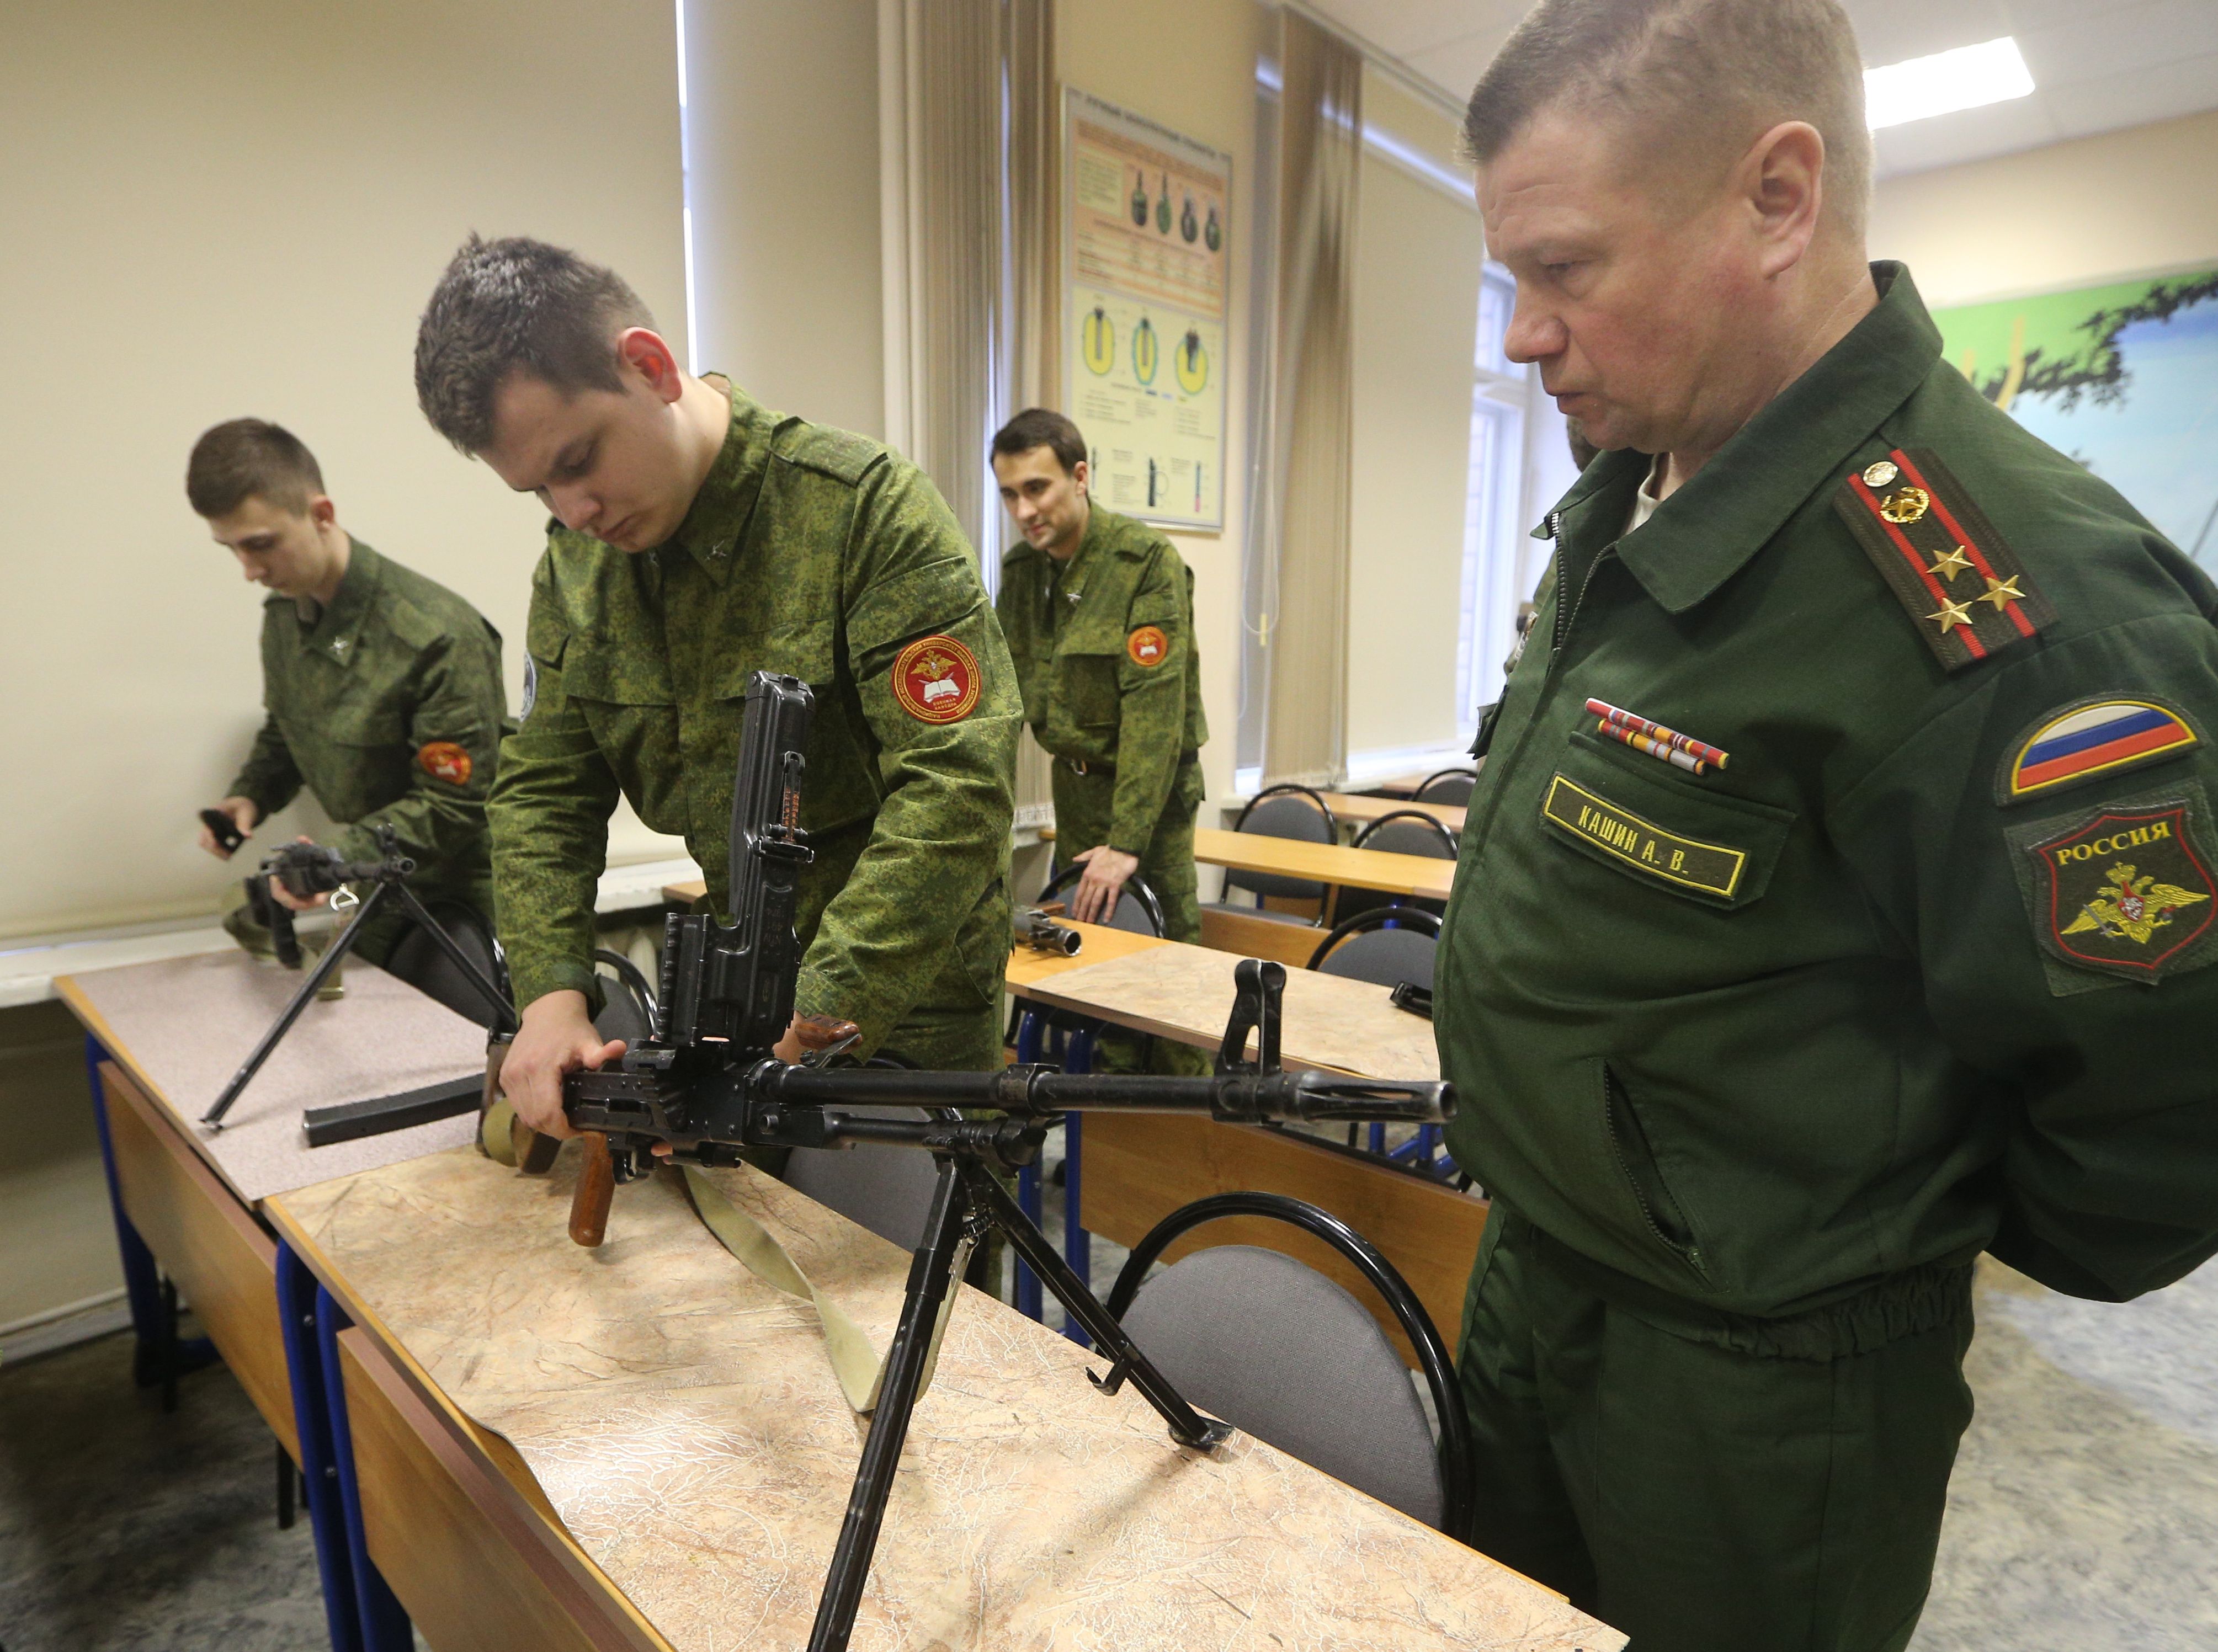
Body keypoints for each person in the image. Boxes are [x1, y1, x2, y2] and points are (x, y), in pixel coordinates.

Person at [1435, 3, 2218, 1650]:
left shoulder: (2009, 610)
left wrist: (1871, 1228)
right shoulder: (1639, 494)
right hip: (1535, 1273)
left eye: (1563, 269)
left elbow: (2167, 1103)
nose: (1521, 335)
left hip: (1753, 1389)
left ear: (1774, 200)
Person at [414, 235, 1020, 1142]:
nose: (572, 512)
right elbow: (545, 788)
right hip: (730, 1000)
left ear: (650, 367)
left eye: (577, 461)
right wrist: (549, 992)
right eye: (539, 489)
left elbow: (956, 783)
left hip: (903, 1010)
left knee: (916, 1280)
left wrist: (823, 1001)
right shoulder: (578, 569)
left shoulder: (861, 510)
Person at [189, 418, 506, 971]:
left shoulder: (435, 634)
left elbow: (454, 806)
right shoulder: (287, 614)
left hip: (462, 911)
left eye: (261, 545)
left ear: (322, 516)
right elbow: (288, 727)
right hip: (374, 892)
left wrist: (336, 862)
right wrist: (250, 796)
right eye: (232, 549)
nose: (249, 571)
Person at [992, 409, 1209, 1075]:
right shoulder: (1025, 573)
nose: (1024, 510)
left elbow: (1155, 712)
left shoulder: (1142, 563)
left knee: (1164, 960)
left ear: (1080, 477)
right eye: (1009, 494)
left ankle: (1187, 1122)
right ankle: (1113, 1125)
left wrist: (1127, 843)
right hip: (1076, 785)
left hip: (1150, 796)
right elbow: (1002, 692)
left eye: (1038, 488)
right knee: (1096, 960)